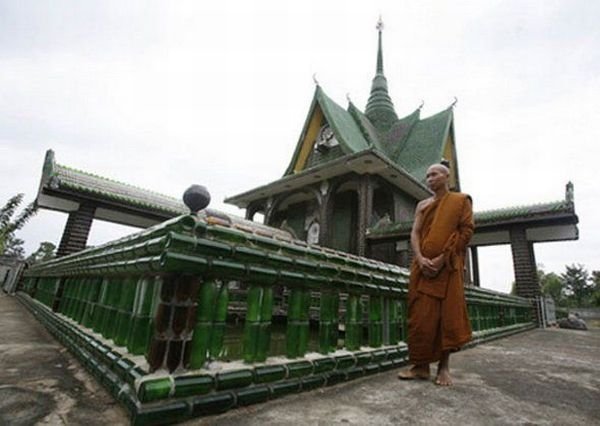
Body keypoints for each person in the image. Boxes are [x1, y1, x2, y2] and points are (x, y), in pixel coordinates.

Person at [397, 163, 474, 386]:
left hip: (448, 267)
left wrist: (441, 259)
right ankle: (420, 367)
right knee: (420, 317)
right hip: (422, 269)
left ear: (446, 176)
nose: (429, 178)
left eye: (434, 174)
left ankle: (443, 367)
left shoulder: (460, 201)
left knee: (445, 317)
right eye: (427, 175)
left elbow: (466, 231)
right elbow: (415, 233)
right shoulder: (423, 204)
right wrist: (420, 259)